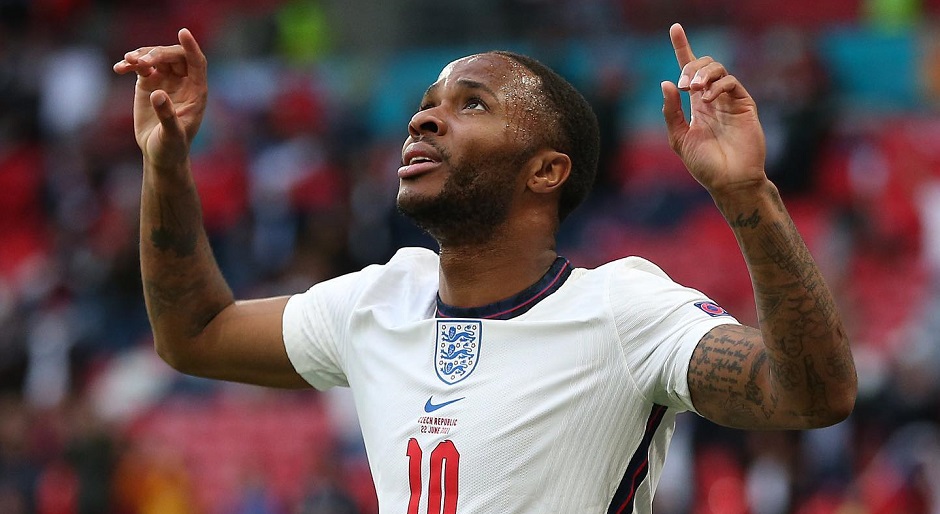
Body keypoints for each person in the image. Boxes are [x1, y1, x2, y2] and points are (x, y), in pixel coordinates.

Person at [113, 23, 857, 513]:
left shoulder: (624, 311)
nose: (423, 118)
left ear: (546, 171)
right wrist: (166, 166)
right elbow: (194, 334)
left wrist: (745, 192)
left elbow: (811, 395)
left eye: (471, 105)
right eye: (428, 102)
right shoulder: (376, 301)